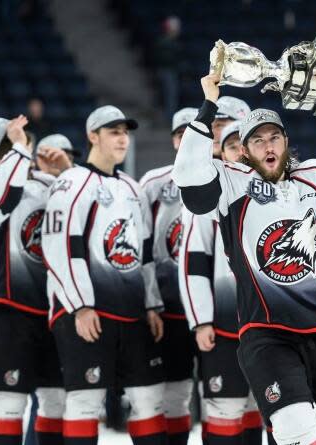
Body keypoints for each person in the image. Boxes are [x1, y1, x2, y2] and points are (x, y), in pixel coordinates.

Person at [172, 73, 316, 445]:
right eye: (257, 140)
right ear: (244, 151)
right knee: (298, 430)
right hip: (269, 334)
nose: (267, 145)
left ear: (286, 142)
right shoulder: (231, 184)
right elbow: (190, 178)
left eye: (274, 137)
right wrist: (208, 105)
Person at [42, 105, 166, 445]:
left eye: (125, 132)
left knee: (149, 399)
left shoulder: (132, 187)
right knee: (84, 403)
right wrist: (80, 306)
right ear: (92, 136)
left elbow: (145, 254)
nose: (122, 138)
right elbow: (61, 248)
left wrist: (152, 305)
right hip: (89, 314)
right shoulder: (72, 182)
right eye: (113, 131)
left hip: (131, 313)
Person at [0, 115, 71, 445]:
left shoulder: (45, 183)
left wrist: (64, 173)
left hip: (51, 310)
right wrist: (18, 146)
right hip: (6, 309)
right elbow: (5, 198)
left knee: (56, 400)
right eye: (15, 143)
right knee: (7, 404)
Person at [180, 120, 266, 445]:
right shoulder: (209, 198)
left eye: (245, 146)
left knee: (266, 410)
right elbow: (194, 263)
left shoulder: (283, 192)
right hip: (225, 326)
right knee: (223, 411)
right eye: (231, 147)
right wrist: (201, 320)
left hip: (270, 326)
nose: (241, 154)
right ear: (221, 151)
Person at [139, 106, 198, 445]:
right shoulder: (153, 183)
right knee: (172, 392)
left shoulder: (226, 176)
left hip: (216, 308)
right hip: (169, 308)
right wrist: (150, 302)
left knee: (226, 398)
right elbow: (142, 249)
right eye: (182, 133)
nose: (188, 139)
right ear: (175, 140)